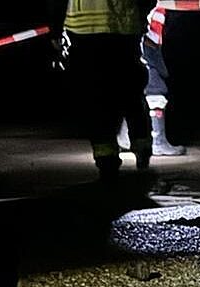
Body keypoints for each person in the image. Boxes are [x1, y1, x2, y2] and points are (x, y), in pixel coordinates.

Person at [60, 0, 151, 179]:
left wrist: (56, 28)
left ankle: (106, 159)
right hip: (124, 26)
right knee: (131, 92)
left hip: (84, 29)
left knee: (97, 97)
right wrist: (141, 15)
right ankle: (142, 147)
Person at [119, 2, 186, 157]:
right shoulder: (155, 7)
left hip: (140, 45)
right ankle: (157, 142)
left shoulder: (160, 7)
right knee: (155, 93)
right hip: (144, 46)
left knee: (137, 94)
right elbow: (149, 33)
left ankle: (126, 139)